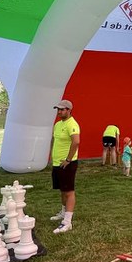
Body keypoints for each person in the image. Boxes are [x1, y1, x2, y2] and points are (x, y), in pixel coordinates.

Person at [49, 99, 80, 234]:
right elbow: (54, 140)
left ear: (69, 110)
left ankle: (67, 222)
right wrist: (51, 155)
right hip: (57, 163)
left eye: (62, 109)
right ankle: (63, 212)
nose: (59, 112)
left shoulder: (72, 124)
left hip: (68, 164)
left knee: (69, 191)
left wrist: (68, 159)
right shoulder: (57, 124)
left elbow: (76, 142)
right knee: (62, 190)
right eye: (58, 109)